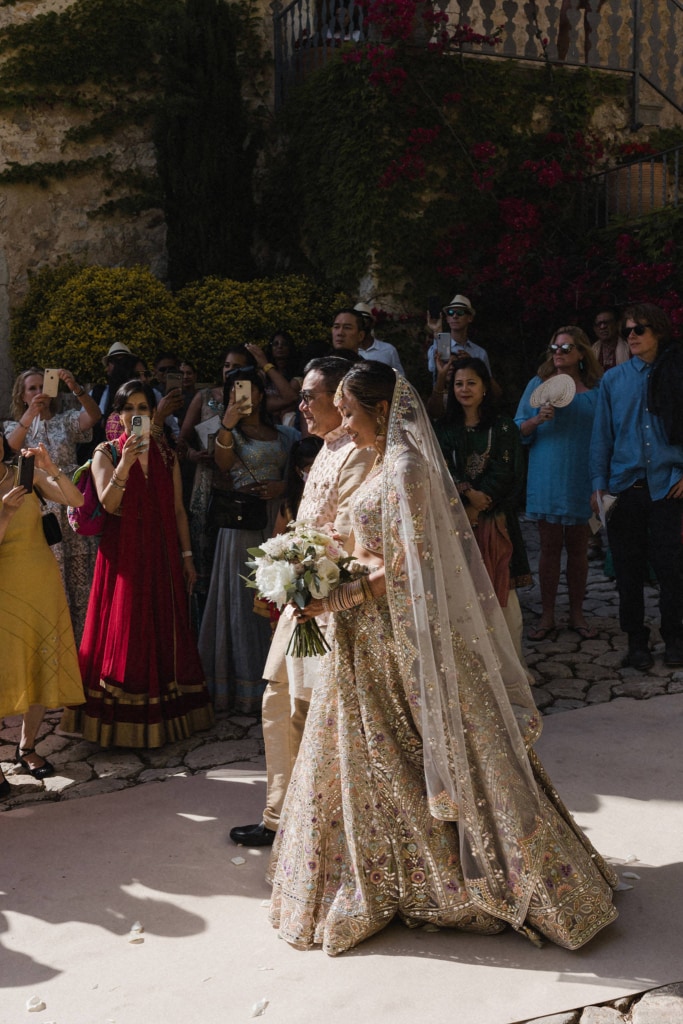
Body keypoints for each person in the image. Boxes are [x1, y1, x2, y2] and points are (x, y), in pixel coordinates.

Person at [268, 361, 618, 955]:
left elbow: (403, 567)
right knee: (372, 760)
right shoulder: (381, 462)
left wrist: (333, 596)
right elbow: (367, 547)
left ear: (381, 411)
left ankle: (448, 879)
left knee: (415, 754)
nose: (344, 424)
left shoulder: (404, 467)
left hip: (392, 635)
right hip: (366, 638)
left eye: (351, 413)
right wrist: (319, 561)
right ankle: (387, 870)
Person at [230, 356, 375, 848]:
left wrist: (308, 568)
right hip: (302, 597)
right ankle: (278, 816)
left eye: (310, 396)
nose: (302, 404)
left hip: (332, 605)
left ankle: (314, 821)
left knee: (310, 711)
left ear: (340, 400)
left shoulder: (358, 454)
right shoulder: (324, 449)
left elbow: (350, 537)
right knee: (277, 701)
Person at [68, 381, 214, 748]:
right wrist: (127, 460)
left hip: (163, 556)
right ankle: (119, 722)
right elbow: (110, 503)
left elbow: (179, 511)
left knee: (165, 627)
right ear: (118, 415)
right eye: (129, 408)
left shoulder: (167, 454)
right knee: (127, 631)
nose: (136, 414)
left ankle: (168, 716)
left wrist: (187, 558)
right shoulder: (107, 452)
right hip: (124, 558)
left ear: (153, 414)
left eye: (144, 408)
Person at [199, 366, 299, 714]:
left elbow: (302, 474)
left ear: (261, 393)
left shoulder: (286, 435)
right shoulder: (226, 432)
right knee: (245, 599)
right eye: (234, 391)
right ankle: (244, 686)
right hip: (240, 523)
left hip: (278, 519)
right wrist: (226, 423)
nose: (243, 396)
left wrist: (282, 488)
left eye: (249, 389)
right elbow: (223, 465)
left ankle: (281, 682)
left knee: (279, 596)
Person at [590, 303, 683, 670]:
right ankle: (636, 642)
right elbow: (602, 438)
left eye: (640, 329)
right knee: (626, 571)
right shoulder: (614, 380)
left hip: (667, 486)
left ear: (657, 332)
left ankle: (675, 638)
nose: (632, 335)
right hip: (624, 486)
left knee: (671, 568)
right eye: (627, 330)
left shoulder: (677, 373)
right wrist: (598, 488)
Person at [0, 434, 86, 797]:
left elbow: (76, 499)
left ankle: (27, 747)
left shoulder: (24, 472)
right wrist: (4, 512)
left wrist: (51, 469)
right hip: (3, 589)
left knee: (37, 663)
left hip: (41, 582)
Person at [434, 357, 532, 657]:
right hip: (455, 524)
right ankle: (475, 671)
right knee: (461, 597)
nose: (464, 389)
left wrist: (480, 505)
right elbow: (441, 470)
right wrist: (466, 496)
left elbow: (509, 472)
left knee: (505, 599)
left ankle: (512, 670)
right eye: (458, 384)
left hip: (496, 522)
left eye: (471, 383)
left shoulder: (503, 428)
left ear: (485, 387)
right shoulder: (444, 429)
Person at [515, 326, 603, 641]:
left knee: (579, 549)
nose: (559, 352)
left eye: (566, 348)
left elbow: (606, 434)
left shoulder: (596, 389)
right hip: (548, 474)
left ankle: (577, 613)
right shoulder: (537, 385)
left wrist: (602, 481)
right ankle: (548, 614)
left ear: (581, 353)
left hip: (583, 475)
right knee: (550, 548)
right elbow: (517, 430)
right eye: (555, 346)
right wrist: (536, 419)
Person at [5, 368, 102, 643]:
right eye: (31, 389)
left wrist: (75, 387)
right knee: (54, 579)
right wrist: (30, 415)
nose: (38, 393)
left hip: (71, 505)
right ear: (22, 396)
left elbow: (94, 417)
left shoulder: (65, 421)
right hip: (41, 510)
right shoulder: (14, 427)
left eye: (42, 387)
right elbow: (10, 447)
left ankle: (84, 650)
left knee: (81, 578)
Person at [180, 345, 257, 621]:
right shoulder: (204, 396)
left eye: (237, 368)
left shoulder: (250, 399)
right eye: (227, 366)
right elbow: (182, 437)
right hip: (205, 480)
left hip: (238, 483)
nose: (230, 372)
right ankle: (204, 621)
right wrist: (191, 454)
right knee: (203, 547)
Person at [426, 294, 491, 380]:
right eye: (451, 313)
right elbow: (432, 368)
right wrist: (437, 331)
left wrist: (472, 364)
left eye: (460, 312)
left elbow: (488, 385)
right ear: (447, 319)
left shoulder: (479, 353)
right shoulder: (443, 344)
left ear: (470, 318)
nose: (455, 316)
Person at [352, 302, 405, 374]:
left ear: (372, 323)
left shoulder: (388, 350)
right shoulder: (348, 351)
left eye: (365, 321)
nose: (362, 325)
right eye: (358, 322)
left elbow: (400, 380)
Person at [591, 307, 630, 372]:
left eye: (607, 322)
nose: (602, 327)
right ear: (594, 329)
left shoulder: (630, 349)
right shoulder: (592, 352)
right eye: (598, 324)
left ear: (617, 324)